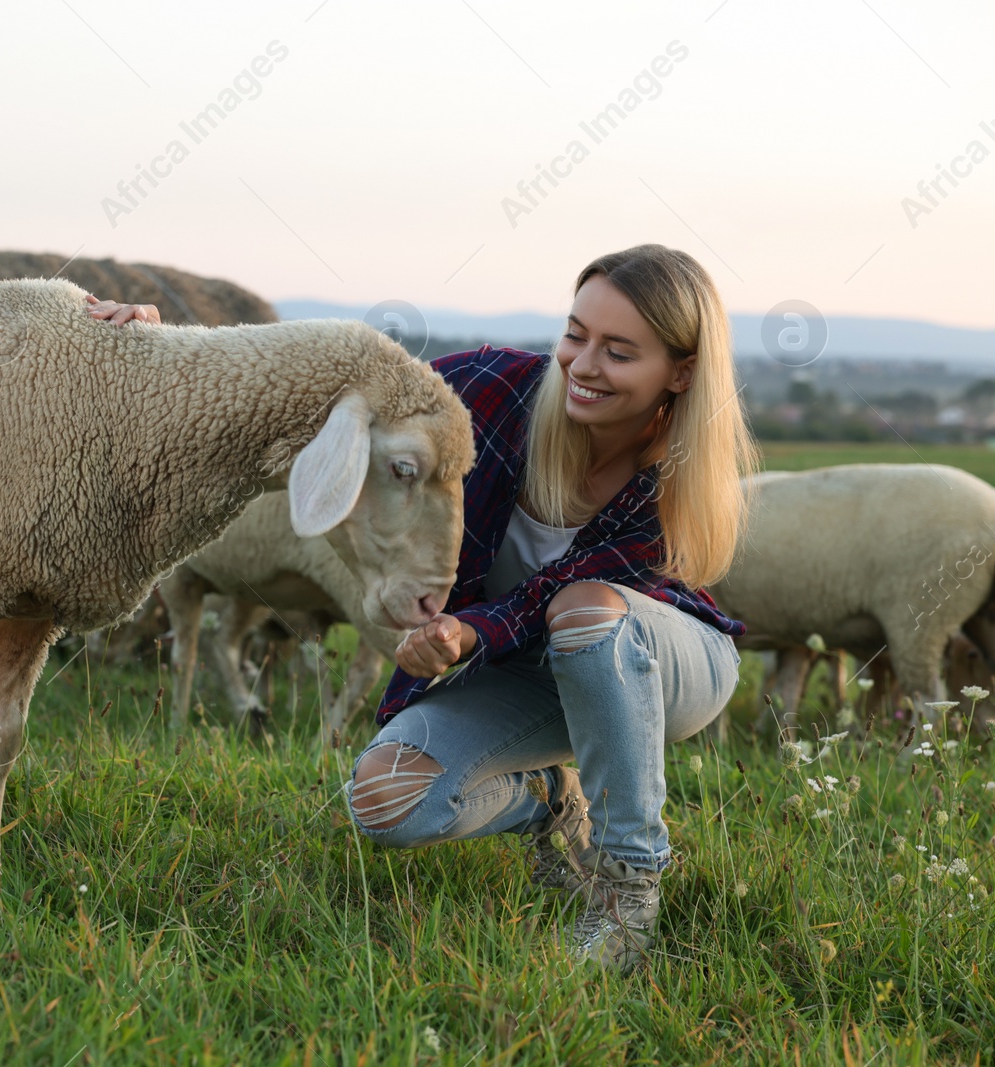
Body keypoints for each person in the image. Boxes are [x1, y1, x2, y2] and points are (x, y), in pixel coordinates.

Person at [88, 245, 756, 972]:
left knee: (586, 611)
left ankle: (628, 889)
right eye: (575, 334)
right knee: (386, 800)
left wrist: (465, 631)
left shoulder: (680, 480)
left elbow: (549, 595)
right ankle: (548, 800)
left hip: (654, 667)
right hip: (520, 674)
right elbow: (327, 392)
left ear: (681, 371)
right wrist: (167, 354)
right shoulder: (491, 389)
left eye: (619, 352)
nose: (583, 365)